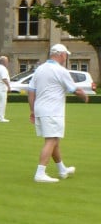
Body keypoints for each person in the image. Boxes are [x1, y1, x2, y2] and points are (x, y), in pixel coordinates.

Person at [28, 44, 88, 183]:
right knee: (51, 140)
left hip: (41, 110)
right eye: (65, 54)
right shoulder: (60, 71)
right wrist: (85, 96)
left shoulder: (39, 69)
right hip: (53, 111)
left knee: (54, 140)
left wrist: (32, 110)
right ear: (60, 54)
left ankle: (62, 170)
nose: (66, 57)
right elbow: (75, 89)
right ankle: (40, 173)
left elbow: (31, 91)